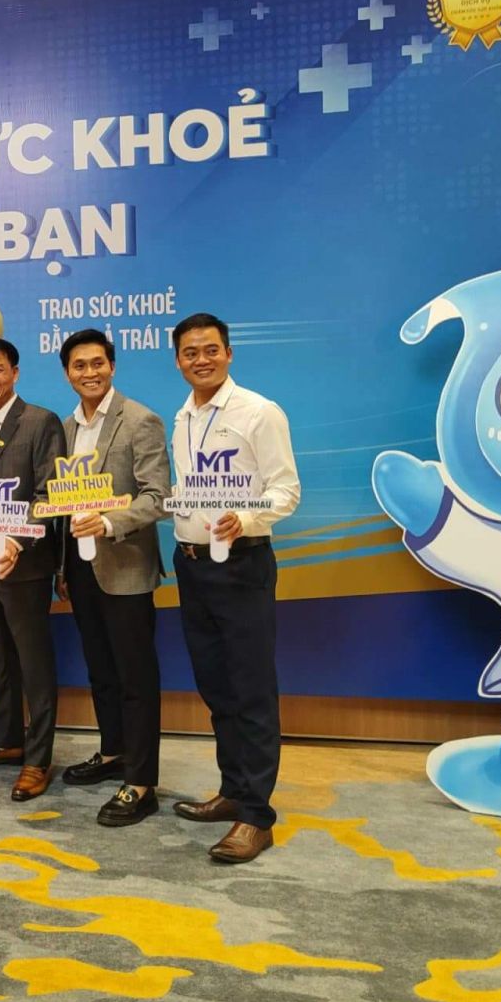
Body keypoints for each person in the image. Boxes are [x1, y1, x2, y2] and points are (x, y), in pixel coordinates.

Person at [169, 312, 301, 863]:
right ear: (178, 360)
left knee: (251, 691)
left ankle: (256, 817)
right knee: (216, 687)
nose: (201, 360)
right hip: (192, 566)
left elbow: (286, 491)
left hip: (242, 565)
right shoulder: (183, 417)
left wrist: (243, 519)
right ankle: (232, 790)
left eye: (210, 350)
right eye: (190, 352)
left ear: (228, 352)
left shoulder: (259, 412)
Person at [52, 329, 171, 826]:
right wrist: (63, 566)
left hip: (125, 566)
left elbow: (157, 497)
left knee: (135, 676)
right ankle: (114, 751)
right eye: (79, 365)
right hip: (80, 569)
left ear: (112, 366)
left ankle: (141, 783)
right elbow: (62, 504)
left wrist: (107, 522)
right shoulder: (63, 428)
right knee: (101, 669)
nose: (90, 372)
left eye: (97, 363)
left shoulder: (140, 420)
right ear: (67, 373)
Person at [0, 336, 67, 801]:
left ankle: (38, 758)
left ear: (15, 373)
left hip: (24, 563)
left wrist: (19, 542)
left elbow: (50, 496)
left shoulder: (40, 422)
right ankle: (7, 740)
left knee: (34, 662)